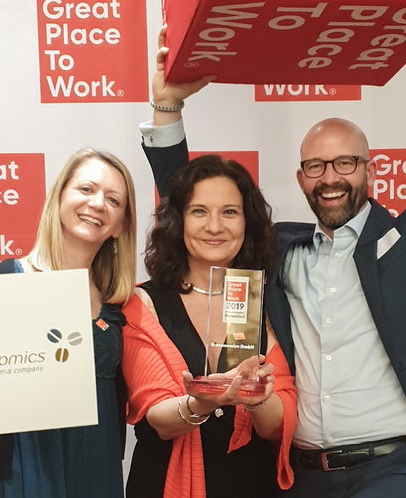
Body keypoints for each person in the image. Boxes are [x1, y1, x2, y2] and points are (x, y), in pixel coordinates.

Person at [139, 0, 406, 496]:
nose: (331, 177)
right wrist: (167, 104)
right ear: (301, 179)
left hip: (399, 466)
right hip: (301, 474)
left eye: (345, 163)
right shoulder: (278, 252)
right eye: (316, 166)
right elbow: (193, 209)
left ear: (369, 171)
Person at [0, 147, 138, 498]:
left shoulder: (121, 304)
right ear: (59, 196)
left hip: (97, 465)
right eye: (86, 189)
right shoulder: (0, 281)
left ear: (121, 225)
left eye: (113, 199)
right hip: (23, 466)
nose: (97, 203)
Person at [122, 155, 297, 497]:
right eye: (199, 211)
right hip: (165, 484)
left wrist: (258, 400)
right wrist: (202, 402)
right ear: (178, 220)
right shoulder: (144, 303)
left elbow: (278, 426)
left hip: (252, 485)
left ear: (247, 222)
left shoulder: (265, 302)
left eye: (229, 212)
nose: (215, 226)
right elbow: (157, 416)